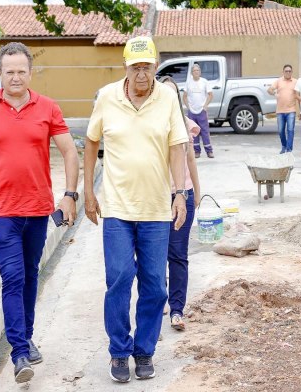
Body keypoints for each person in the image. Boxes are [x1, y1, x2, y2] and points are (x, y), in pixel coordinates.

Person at [0, 42, 79, 383]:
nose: (16, 77)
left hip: (37, 209)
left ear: (30, 73)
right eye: (9, 71)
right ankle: (18, 353)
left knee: (30, 275)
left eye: (21, 71)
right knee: (12, 277)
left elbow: (70, 152)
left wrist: (70, 195)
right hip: (0, 212)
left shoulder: (48, 108)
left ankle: (26, 336)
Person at [84, 36, 188, 383]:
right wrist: (87, 190)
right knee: (119, 279)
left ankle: (143, 351)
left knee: (155, 285)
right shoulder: (108, 98)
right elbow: (91, 141)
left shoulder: (168, 97)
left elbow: (177, 148)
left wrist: (180, 194)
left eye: (147, 67)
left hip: (157, 209)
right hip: (116, 209)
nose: (142, 74)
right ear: (125, 68)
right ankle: (118, 352)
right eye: (136, 67)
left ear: (156, 67)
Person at [159, 76, 201, 332]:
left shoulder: (186, 126)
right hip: (155, 196)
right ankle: (158, 298)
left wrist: (196, 190)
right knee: (153, 255)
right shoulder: (150, 124)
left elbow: (191, 161)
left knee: (177, 254)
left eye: (173, 93)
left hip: (182, 195)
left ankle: (176, 309)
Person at [183, 63, 214, 158]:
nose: (196, 72)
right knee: (194, 131)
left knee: (205, 131)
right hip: (192, 112)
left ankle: (209, 151)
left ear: (200, 72)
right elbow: (184, 96)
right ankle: (197, 151)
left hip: (201, 111)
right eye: (194, 71)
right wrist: (188, 107)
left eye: (197, 70)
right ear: (192, 73)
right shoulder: (188, 83)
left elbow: (210, 95)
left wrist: (205, 106)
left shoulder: (204, 82)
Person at [268, 64, 298, 153]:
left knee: (290, 130)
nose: (288, 72)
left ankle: (289, 149)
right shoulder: (278, 81)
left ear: (292, 72)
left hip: (291, 110)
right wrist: (274, 93)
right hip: (280, 111)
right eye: (286, 71)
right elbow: (269, 90)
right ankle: (284, 146)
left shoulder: (296, 82)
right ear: (283, 72)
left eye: (290, 71)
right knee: (281, 131)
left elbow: (299, 95)